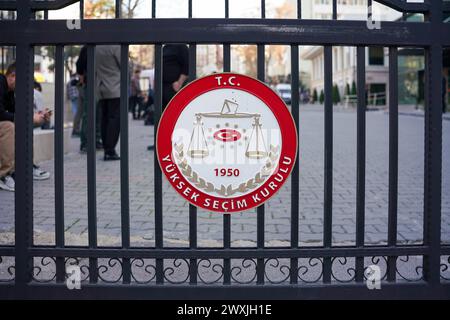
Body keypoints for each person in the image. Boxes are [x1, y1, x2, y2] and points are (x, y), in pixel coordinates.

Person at [0, 62, 51, 192]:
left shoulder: (10, 91)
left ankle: (26, 166)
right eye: (23, 80)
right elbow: (1, 113)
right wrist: (26, 117)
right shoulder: (0, 82)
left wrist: (37, 116)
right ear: (12, 76)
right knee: (8, 127)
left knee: (22, 124)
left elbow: (16, 113)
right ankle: (4, 175)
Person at [147, 44, 189, 150]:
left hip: (174, 87)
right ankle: (160, 142)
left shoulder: (181, 46)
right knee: (161, 117)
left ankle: (177, 143)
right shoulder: (163, 47)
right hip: (162, 86)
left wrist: (179, 83)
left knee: (174, 116)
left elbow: (187, 66)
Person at [95, 45, 122, 161]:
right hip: (114, 87)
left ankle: (106, 148)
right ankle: (110, 150)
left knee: (104, 119)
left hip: (100, 87)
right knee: (114, 119)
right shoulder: (115, 47)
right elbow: (125, 65)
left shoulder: (96, 47)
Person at [76, 45, 103, 153]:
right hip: (91, 82)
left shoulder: (99, 46)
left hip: (99, 82)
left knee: (98, 113)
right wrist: (83, 77)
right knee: (89, 113)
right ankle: (86, 142)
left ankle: (96, 140)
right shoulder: (87, 47)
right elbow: (79, 66)